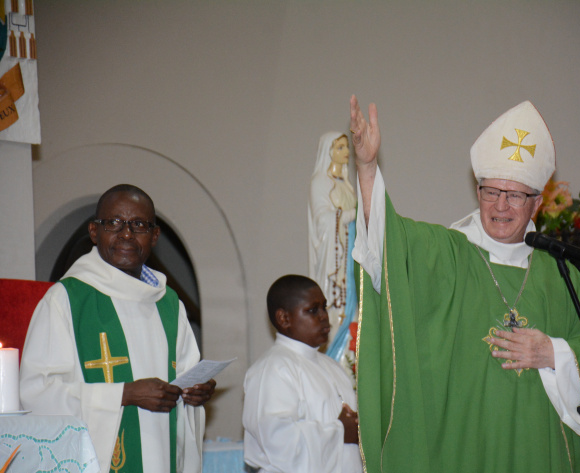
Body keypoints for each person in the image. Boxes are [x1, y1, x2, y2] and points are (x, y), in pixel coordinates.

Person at [349, 95, 580, 472]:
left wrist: (553, 353)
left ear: (537, 204)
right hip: (464, 451)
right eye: (490, 191)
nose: (500, 206)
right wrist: (367, 167)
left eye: (514, 195)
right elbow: (386, 243)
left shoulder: (561, 275)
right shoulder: (446, 254)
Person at [20, 184, 215, 473]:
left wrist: (194, 393)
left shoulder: (169, 303)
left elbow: (185, 375)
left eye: (138, 224)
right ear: (94, 231)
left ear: (155, 236)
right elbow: (37, 393)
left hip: (162, 457)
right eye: (113, 223)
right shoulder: (66, 299)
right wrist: (124, 394)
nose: (126, 234)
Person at [242, 275, 362, 473]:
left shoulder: (332, 367)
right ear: (284, 318)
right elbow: (278, 443)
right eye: (313, 310)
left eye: (324, 307)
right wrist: (340, 431)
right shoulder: (272, 369)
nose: (324, 316)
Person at [308, 132, 358, 367]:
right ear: (328, 152)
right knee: (336, 314)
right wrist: (352, 215)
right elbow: (323, 220)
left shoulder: (347, 186)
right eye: (339, 148)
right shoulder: (320, 182)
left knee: (355, 313)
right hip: (335, 260)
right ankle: (336, 365)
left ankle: (351, 364)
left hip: (351, 257)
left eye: (346, 147)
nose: (346, 152)